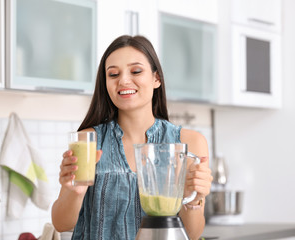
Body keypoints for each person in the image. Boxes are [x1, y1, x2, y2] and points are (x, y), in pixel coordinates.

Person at [51, 35, 213, 240]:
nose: (124, 80)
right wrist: (75, 192)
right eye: (113, 74)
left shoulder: (189, 143)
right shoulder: (88, 141)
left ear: (156, 79)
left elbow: (192, 234)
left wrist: (193, 199)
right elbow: (61, 223)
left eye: (136, 71)